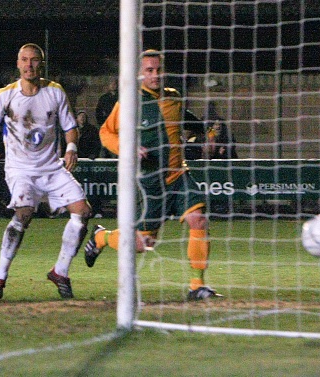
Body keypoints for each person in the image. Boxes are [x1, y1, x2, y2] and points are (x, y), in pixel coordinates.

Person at [87, 49, 221, 301]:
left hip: (178, 176)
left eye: (158, 70)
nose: (155, 75)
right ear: (139, 73)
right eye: (149, 70)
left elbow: (187, 121)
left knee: (199, 220)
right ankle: (101, 237)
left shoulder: (174, 98)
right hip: (150, 184)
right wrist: (127, 148)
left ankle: (197, 286)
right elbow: (106, 133)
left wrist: (209, 133)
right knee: (143, 244)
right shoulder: (130, 102)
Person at [0, 43, 94, 300]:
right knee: (24, 214)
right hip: (20, 169)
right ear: (18, 64)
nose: (29, 65)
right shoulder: (5, 95)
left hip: (52, 168)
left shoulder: (55, 92)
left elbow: (70, 126)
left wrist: (71, 146)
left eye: (34, 60)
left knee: (83, 212)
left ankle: (60, 272)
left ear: (42, 63)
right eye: (24, 60)